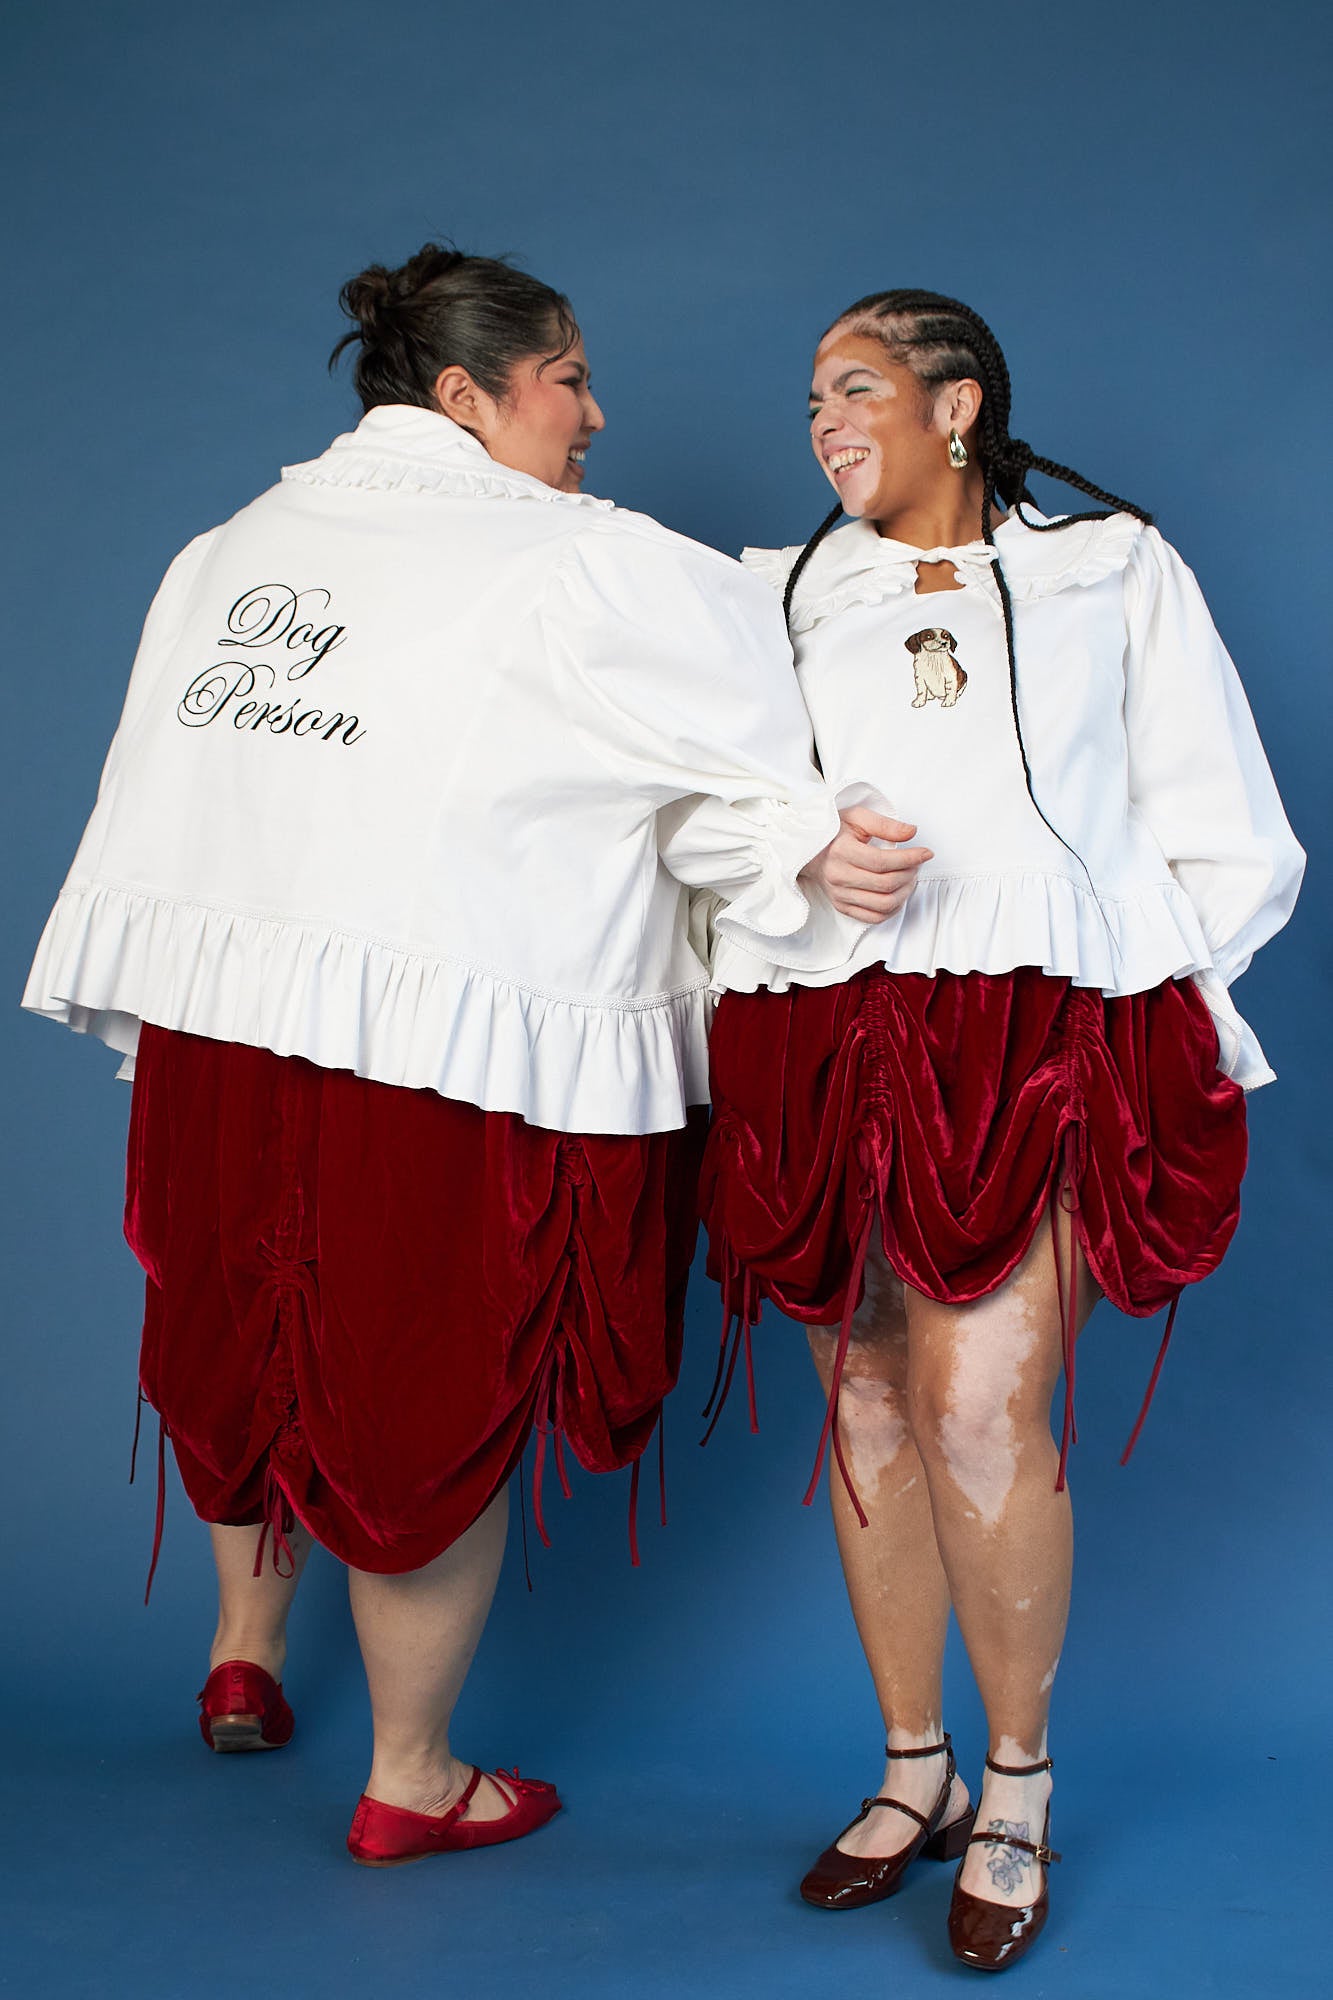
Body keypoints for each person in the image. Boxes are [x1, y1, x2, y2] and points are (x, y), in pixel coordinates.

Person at [23, 246, 923, 1868]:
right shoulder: (585, 564)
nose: (595, 415)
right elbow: (749, 752)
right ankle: (413, 1776)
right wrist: (806, 838)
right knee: (412, 1380)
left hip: (220, 1027)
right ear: (465, 394)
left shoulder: (230, 547)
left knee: (245, 1320)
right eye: (567, 378)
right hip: (427, 1044)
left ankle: (243, 1653)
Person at [699, 290, 1303, 1968]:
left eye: (855, 387)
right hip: (827, 1024)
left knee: (979, 1408)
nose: (822, 423)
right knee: (868, 1397)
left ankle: (1017, 1787)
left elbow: (1224, 818)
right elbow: (703, 813)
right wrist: (796, 856)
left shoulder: (1110, 571)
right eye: (808, 399)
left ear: (954, 404)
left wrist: (1135, 991)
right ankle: (916, 1772)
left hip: (1037, 1031)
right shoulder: (778, 591)